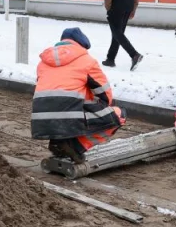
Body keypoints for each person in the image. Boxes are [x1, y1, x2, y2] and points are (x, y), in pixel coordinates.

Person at [32, 28, 126, 163]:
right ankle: (75, 146)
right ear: (81, 45)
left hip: (40, 120)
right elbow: (105, 95)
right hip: (69, 118)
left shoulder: (43, 63)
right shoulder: (87, 61)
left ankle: (59, 142)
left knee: (66, 105)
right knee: (118, 115)